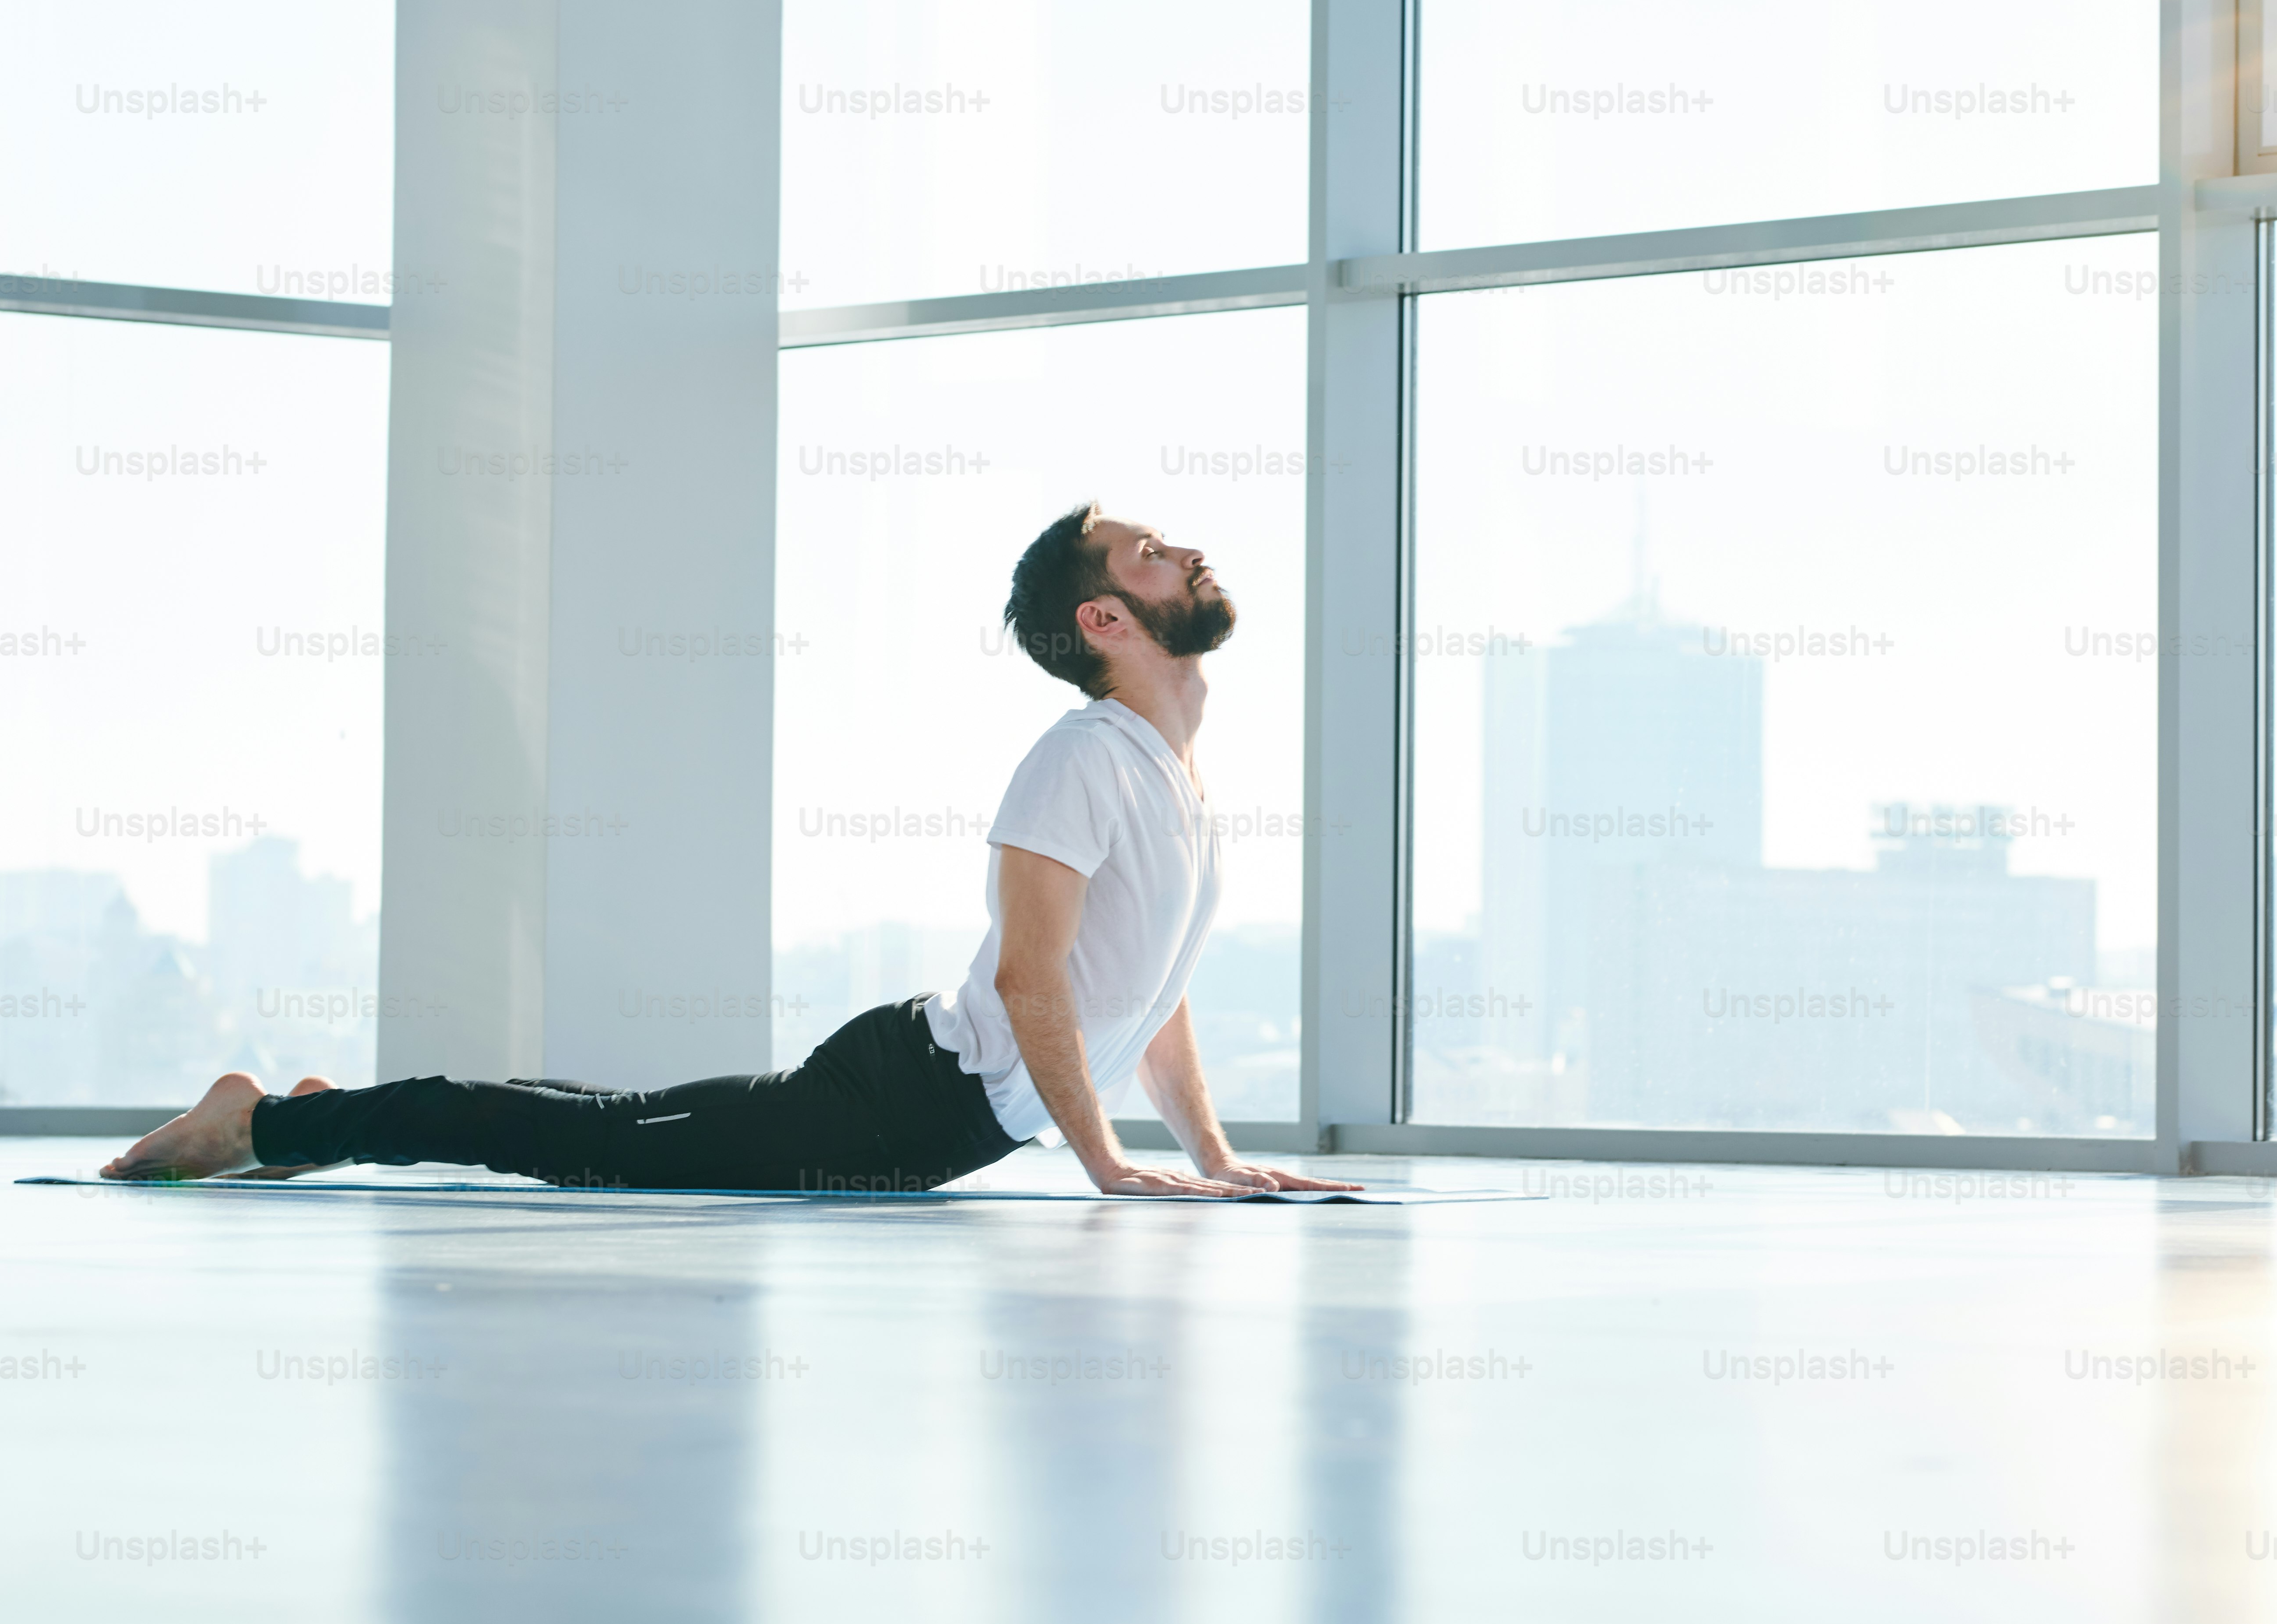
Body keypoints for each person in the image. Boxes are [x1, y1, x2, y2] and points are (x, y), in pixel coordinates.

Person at [100, 505, 1357, 1200]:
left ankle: (337, 1115)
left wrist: (1215, 1158)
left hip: (930, 1119)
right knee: (596, 1150)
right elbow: (1035, 982)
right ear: (1107, 618)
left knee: (617, 1121)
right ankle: (258, 1127)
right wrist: (1110, 1169)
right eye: (1151, 555)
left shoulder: (1172, 781)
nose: (1185, 552)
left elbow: (1150, 992)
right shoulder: (1083, 758)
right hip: (902, 1101)